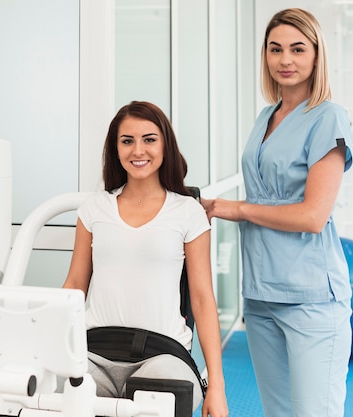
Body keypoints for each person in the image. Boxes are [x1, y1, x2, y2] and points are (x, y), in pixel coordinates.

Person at [201, 8, 353, 417]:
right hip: (260, 294)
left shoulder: (328, 117)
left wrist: (241, 209)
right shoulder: (264, 118)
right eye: (276, 49)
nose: (285, 60)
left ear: (317, 56)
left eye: (298, 49)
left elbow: (312, 216)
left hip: (311, 298)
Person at [63, 101, 229, 417]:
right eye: (127, 141)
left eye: (149, 139)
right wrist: (46, 345)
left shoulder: (187, 212)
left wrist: (217, 386)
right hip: (94, 350)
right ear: (116, 149)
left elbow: (202, 299)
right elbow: (73, 285)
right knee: (62, 392)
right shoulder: (94, 208)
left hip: (162, 355)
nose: (138, 150)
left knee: (162, 395)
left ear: (165, 144)